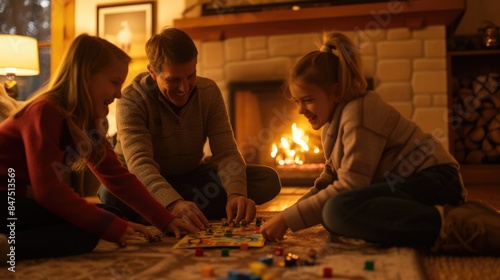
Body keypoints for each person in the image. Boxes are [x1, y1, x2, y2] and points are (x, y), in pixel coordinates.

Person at [260, 31, 500, 256]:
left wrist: (288, 219)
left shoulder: (360, 111)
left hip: (435, 180)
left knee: (336, 211)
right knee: (331, 210)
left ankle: (461, 226)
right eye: (297, 101)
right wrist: (286, 216)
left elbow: (351, 185)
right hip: (405, 184)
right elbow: (329, 181)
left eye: (308, 100)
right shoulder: (331, 124)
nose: (300, 109)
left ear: (336, 91)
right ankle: (450, 215)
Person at [0, 34, 197, 260]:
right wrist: (110, 228)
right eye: (114, 82)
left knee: (108, 215)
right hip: (6, 200)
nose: (119, 94)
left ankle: (12, 239)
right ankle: (9, 249)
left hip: (18, 203)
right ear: (86, 77)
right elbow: (49, 191)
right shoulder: (44, 110)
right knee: (92, 229)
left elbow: (116, 176)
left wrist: (165, 219)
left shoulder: (85, 122)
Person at [97, 27, 281, 230]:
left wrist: (236, 194)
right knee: (110, 194)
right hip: (141, 181)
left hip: (192, 176)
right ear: (152, 72)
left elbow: (226, 152)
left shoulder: (209, 92)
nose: (184, 88)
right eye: (173, 79)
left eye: (191, 76)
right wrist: (174, 203)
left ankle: (165, 212)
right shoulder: (131, 100)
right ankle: (179, 209)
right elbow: (140, 165)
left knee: (267, 180)